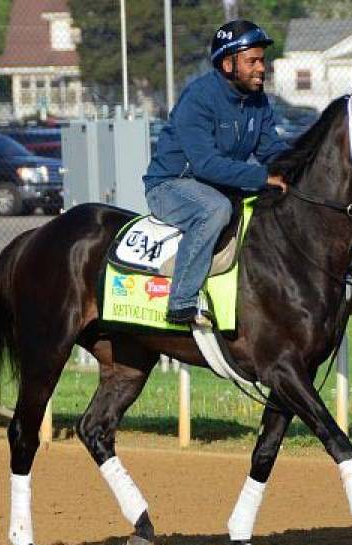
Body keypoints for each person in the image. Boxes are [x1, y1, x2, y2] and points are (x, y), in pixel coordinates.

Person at [143, 19, 290, 325]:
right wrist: (263, 178)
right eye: (252, 61)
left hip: (217, 185)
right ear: (227, 64)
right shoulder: (199, 97)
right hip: (171, 186)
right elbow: (205, 165)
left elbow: (271, 151)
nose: (261, 68)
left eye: (262, 60)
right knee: (215, 209)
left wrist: (297, 168)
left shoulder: (258, 102)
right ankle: (180, 301)